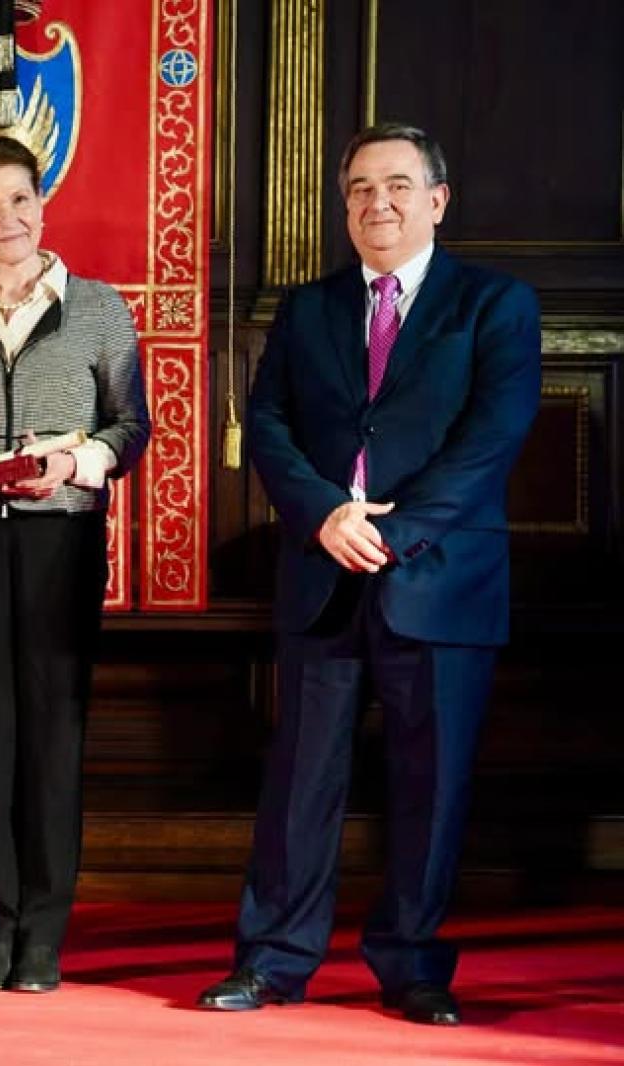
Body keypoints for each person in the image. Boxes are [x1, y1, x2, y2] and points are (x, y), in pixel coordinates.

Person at [197, 123, 541, 1026]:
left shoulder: (494, 304)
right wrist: (326, 515)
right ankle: (273, 961)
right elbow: (269, 425)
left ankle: (415, 966)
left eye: (396, 185)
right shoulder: (307, 309)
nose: (376, 203)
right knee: (299, 784)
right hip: (324, 573)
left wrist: (397, 531)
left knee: (432, 784)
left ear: (437, 200)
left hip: (442, 579)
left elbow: (494, 435)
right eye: (358, 188)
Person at [0, 133, 150, 993]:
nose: (6, 218)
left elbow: (131, 427)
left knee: (53, 732)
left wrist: (73, 461)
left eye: (19, 200)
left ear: (42, 204)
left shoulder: (98, 309)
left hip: (62, 538)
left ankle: (44, 934)